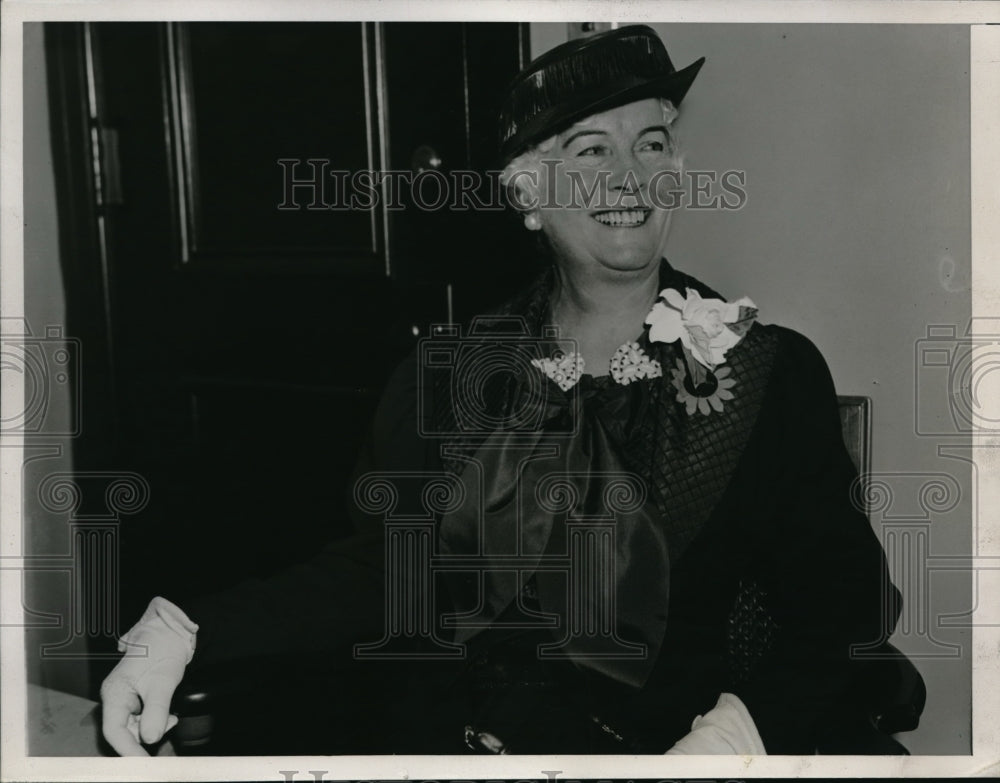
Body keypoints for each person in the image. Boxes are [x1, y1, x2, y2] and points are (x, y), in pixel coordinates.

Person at [100, 25, 902, 756]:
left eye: (652, 144)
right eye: (590, 151)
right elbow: (387, 571)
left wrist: (739, 733)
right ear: (527, 195)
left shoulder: (766, 370)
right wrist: (187, 630)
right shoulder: (453, 373)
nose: (629, 176)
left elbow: (844, 602)